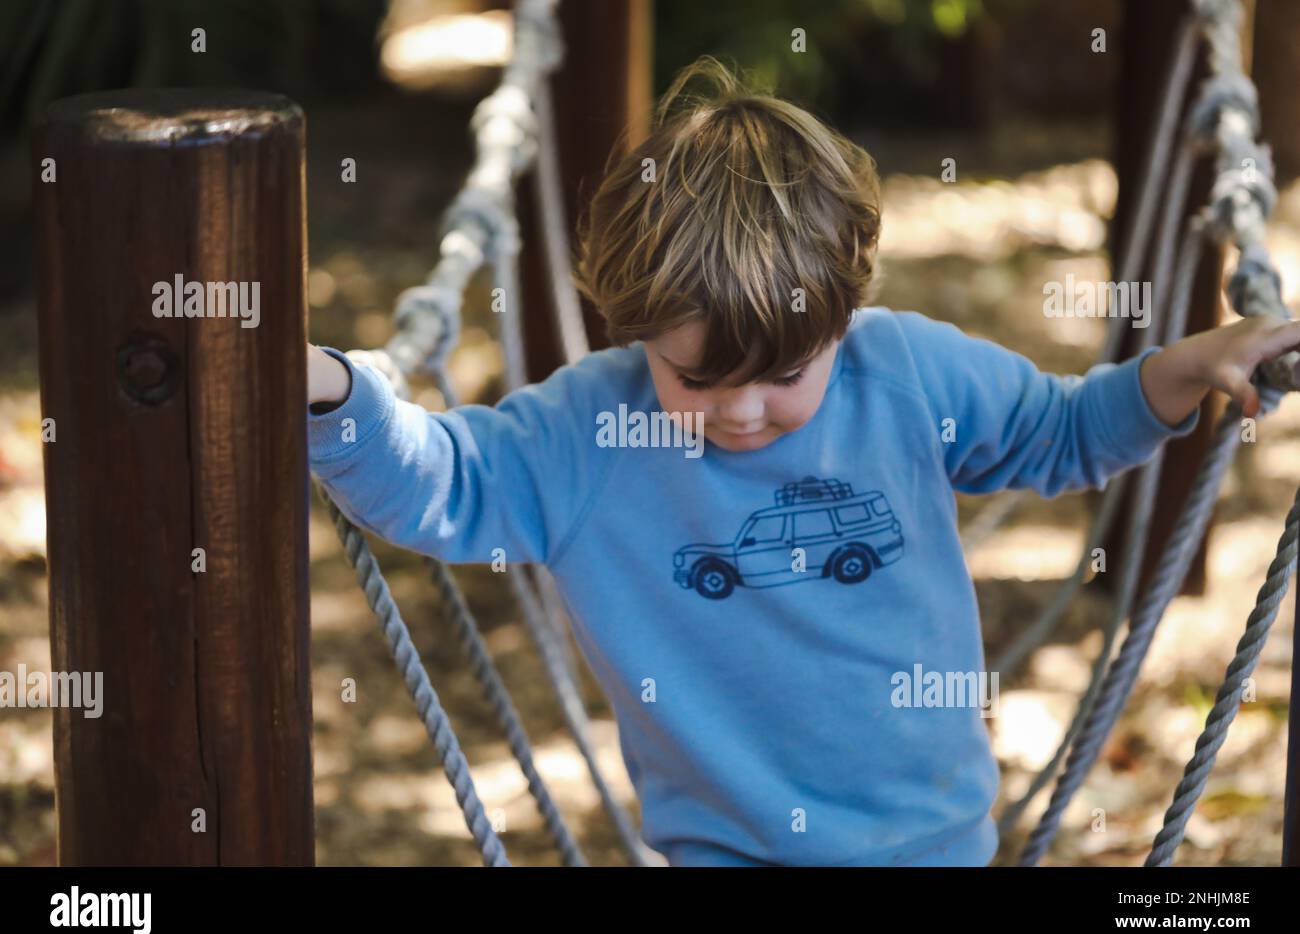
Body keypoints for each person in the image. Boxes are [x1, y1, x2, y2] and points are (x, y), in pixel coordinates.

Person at [305, 57, 1300, 865]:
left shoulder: (906, 373)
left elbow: (1071, 429)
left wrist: (1188, 365)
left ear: (841, 316)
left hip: (932, 843)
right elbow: (442, 482)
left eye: (780, 371)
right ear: (630, 326)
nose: (739, 410)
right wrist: (335, 394)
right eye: (694, 376)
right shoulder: (586, 430)